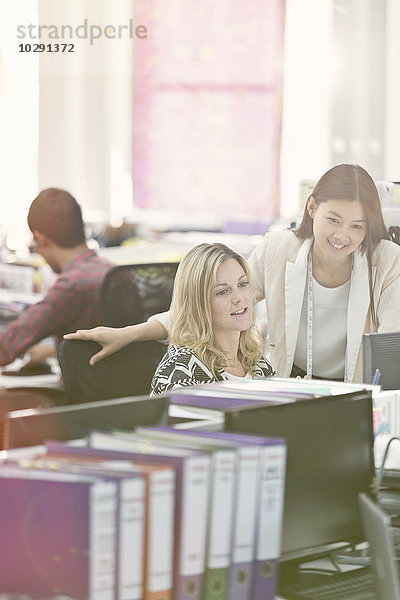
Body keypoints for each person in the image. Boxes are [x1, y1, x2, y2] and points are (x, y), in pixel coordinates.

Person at [65, 163, 400, 383]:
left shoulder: (387, 263)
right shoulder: (279, 248)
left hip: (356, 393)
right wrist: (132, 333)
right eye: (334, 220)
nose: (344, 236)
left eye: (358, 226)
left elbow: (390, 354)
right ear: (312, 208)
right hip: (290, 386)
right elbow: (216, 301)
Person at [0, 188, 114, 367]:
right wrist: (51, 352)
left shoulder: (72, 285)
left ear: (40, 239)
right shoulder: (111, 270)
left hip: (79, 394)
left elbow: (6, 347)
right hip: (122, 390)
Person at [149, 243, 274, 394]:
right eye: (222, 292)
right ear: (198, 303)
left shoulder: (255, 360)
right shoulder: (180, 370)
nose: (239, 298)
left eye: (242, 284)